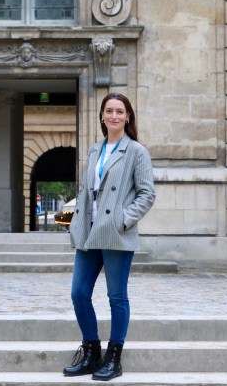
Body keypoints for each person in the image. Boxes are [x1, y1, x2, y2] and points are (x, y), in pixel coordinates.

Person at [63, 92, 156, 382]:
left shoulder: (136, 151)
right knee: (79, 293)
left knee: (116, 296)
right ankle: (91, 351)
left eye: (120, 111)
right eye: (109, 111)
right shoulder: (94, 150)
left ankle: (114, 358)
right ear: (102, 116)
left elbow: (147, 194)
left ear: (127, 117)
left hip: (115, 232)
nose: (114, 115)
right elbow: (86, 191)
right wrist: (75, 221)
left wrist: (123, 220)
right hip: (89, 231)